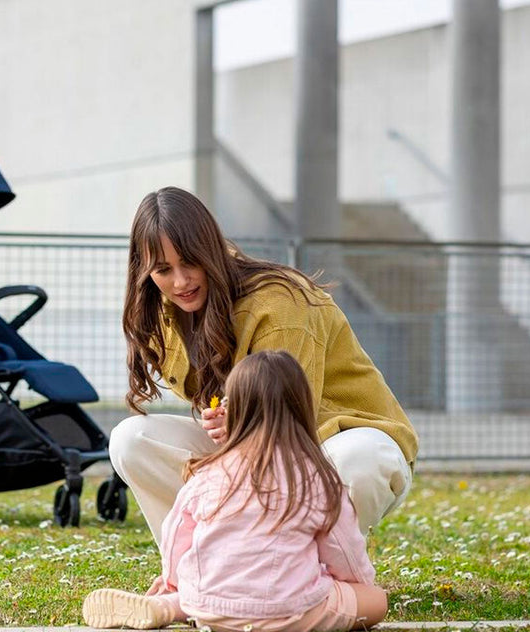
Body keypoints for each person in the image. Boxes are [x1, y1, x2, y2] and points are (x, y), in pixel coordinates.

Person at [110, 186, 418, 542]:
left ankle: (331, 578)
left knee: (360, 458)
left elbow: (292, 416)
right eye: (163, 269)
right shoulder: (164, 313)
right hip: (251, 448)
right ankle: (198, 570)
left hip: (329, 439)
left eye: (190, 262)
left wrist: (244, 420)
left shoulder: (280, 303)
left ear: (210, 250)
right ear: (144, 270)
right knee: (131, 439)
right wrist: (232, 421)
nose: (180, 282)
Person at [83, 350, 388, 632]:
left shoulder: (208, 472)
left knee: (200, 595)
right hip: (290, 611)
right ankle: (190, 603)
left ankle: (169, 605)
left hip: (211, 610)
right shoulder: (315, 479)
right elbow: (343, 549)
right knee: (376, 601)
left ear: (234, 411)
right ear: (302, 408)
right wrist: (358, 584)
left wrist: (171, 581)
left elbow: (176, 534)